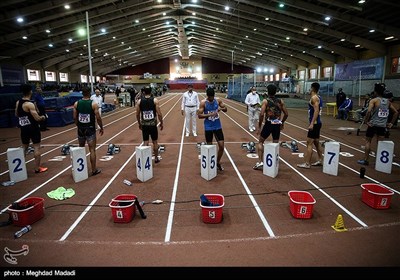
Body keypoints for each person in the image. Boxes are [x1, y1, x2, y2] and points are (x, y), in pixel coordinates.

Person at [357, 83, 398, 166]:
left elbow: (368, 111)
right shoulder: (388, 102)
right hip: (382, 126)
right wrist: (391, 124)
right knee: (380, 143)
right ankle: (380, 161)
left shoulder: (374, 100)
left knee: (368, 141)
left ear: (376, 92)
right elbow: (396, 113)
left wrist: (366, 121)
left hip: (373, 125)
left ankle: (366, 160)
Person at [253, 84, 288, 170]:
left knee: (260, 142)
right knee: (275, 143)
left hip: (268, 124)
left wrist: (260, 126)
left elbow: (261, 114)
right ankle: (274, 163)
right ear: (275, 92)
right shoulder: (280, 101)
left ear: (267, 92)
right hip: (277, 123)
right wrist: (282, 122)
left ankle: (260, 162)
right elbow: (286, 114)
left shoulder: (265, 101)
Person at [15, 84, 48, 174]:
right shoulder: (29, 104)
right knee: (36, 147)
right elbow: (37, 118)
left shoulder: (18, 102)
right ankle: (37, 168)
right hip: (33, 128)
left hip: (23, 129)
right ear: (30, 91)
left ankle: (19, 168)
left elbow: (16, 114)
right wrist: (43, 117)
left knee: (24, 148)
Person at [73, 87, 104, 176]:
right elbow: (98, 118)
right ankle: (94, 170)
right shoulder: (93, 104)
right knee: (92, 150)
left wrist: (78, 125)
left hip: (80, 129)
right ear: (90, 94)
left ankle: (80, 170)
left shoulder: (76, 103)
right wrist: (101, 127)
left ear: (82, 93)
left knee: (81, 148)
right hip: (90, 129)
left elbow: (74, 117)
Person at [197, 87, 227, 171]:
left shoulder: (218, 101)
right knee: (209, 146)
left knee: (221, 146)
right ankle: (210, 163)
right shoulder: (203, 103)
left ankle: (217, 162)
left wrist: (221, 108)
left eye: (212, 97)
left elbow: (226, 109)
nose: (211, 99)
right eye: (210, 97)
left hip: (217, 126)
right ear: (207, 96)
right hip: (208, 127)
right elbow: (199, 115)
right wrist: (210, 115)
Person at [297, 82, 324, 169]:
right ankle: (320, 160)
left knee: (309, 143)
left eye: (310, 88)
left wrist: (312, 123)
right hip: (318, 123)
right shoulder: (318, 97)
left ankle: (307, 163)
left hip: (315, 123)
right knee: (316, 142)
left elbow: (316, 111)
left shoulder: (314, 98)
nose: (309, 89)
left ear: (312, 88)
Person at [136, 86, 164, 163]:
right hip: (152, 124)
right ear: (151, 92)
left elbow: (137, 114)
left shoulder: (139, 101)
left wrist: (139, 123)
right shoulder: (155, 100)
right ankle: (156, 158)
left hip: (144, 124)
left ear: (143, 92)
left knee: (145, 142)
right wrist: (161, 122)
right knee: (155, 141)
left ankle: (145, 159)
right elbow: (159, 113)